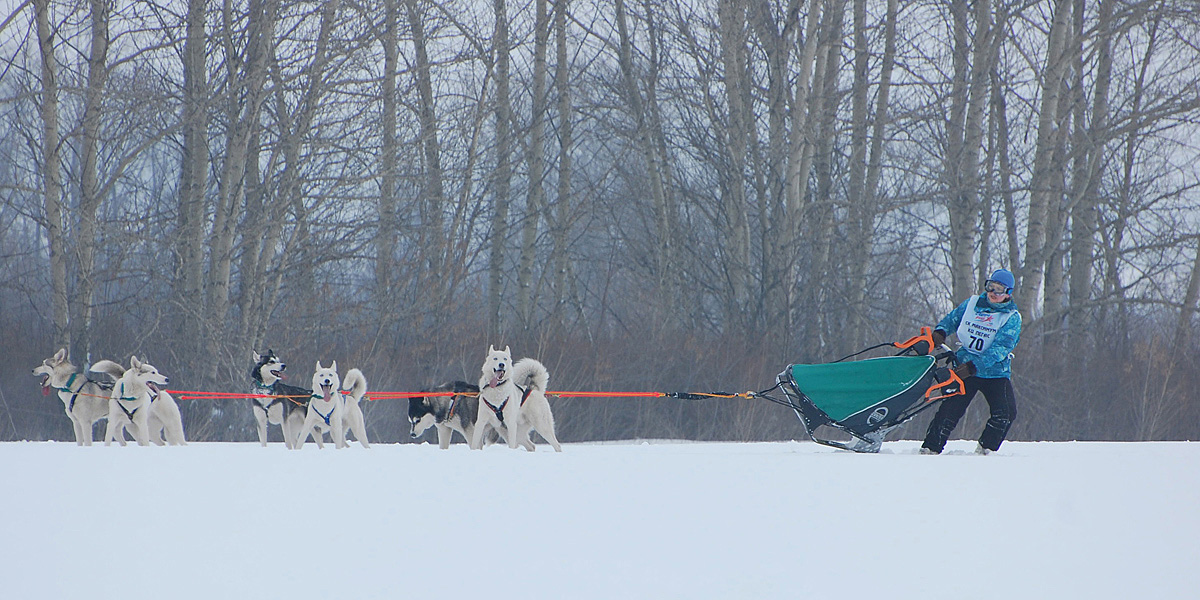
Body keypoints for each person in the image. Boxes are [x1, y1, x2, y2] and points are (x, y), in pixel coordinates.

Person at [919, 268, 1021, 455]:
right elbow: (952, 319)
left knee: (1005, 413)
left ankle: (986, 450)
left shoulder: (1011, 318)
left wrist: (975, 367)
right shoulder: (973, 303)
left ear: (1008, 293)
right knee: (950, 411)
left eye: (999, 289)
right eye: (991, 287)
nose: (993, 293)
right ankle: (930, 449)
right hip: (963, 367)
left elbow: (1000, 349)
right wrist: (940, 332)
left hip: (994, 373)